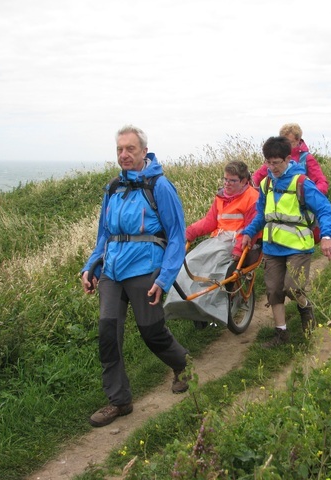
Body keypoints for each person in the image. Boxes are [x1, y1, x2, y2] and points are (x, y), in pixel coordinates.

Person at [81, 125, 190, 428]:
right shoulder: (113, 187)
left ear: (144, 151)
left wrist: (164, 279)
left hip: (146, 271)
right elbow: (104, 233)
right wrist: (91, 267)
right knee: (108, 336)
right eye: (119, 149)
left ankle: (183, 365)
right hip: (112, 273)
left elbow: (177, 238)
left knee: (152, 333)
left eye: (130, 149)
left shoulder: (160, 186)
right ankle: (119, 401)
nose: (124, 154)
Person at [241, 136, 331, 347]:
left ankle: (305, 307)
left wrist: (326, 237)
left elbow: (324, 209)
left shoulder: (301, 183)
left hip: (298, 247)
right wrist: (249, 232)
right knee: (274, 290)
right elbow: (261, 214)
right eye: (268, 162)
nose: (271, 167)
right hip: (273, 247)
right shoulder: (266, 184)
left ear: (287, 159)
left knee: (292, 289)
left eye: (276, 162)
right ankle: (281, 334)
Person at [163, 161, 261, 325]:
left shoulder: (252, 198)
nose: (227, 184)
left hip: (236, 243)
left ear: (244, 181)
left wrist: (238, 249)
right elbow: (209, 222)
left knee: (212, 270)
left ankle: (207, 308)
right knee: (189, 263)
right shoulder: (221, 197)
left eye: (232, 181)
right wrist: (189, 232)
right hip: (218, 241)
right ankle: (189, 303)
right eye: (225, 179)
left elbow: (252, 228)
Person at [252, 123, 329, 195]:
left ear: (298, 140)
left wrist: (309, 195)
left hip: (299, 205)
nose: (285, 146)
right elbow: (258, 176)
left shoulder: (306, 158)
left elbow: (322, 182)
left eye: (289, 142)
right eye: (283, 142)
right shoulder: (276, 159)